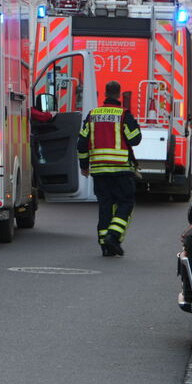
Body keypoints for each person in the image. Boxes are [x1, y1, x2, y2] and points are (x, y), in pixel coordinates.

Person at [77, 81, 142, 257]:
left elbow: (82, 144)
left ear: (105, 93)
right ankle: (113, 236)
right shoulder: (123, 115)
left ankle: (105, 246)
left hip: (99, 170)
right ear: (119, 94)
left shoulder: (93, 115)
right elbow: (135, 139)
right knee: (125, 203)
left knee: (105, 206)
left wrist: (84, 166)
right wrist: (133, 123)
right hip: (120, 169)